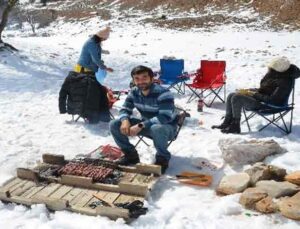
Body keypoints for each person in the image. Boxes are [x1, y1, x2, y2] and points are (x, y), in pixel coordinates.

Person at [109, 66, 177, 173]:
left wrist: (140, 125)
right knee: (114, 124)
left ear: (151, 78)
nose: (141, 81)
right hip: (147, 127)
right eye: (137, 78)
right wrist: (125, 120)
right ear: (133, 80)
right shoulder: (134, 92)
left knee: (157, 128)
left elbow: (164, 117)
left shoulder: (163, 93)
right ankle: (131, 155)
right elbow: (125, 109)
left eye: (144, 77)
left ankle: (162, 158)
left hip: (166, 129)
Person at [212, 57, 300, 134]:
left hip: (270, 106)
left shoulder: (285, 81)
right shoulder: (273, 75)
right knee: (232, 94)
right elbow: (264, 90)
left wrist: (253, 94)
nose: (268, 68)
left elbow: (273, 100)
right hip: (262, 101)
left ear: (277, 69)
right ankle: (227, 122)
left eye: (271, 67)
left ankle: (235, 126)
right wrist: (249, 90)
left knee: (237, 97)